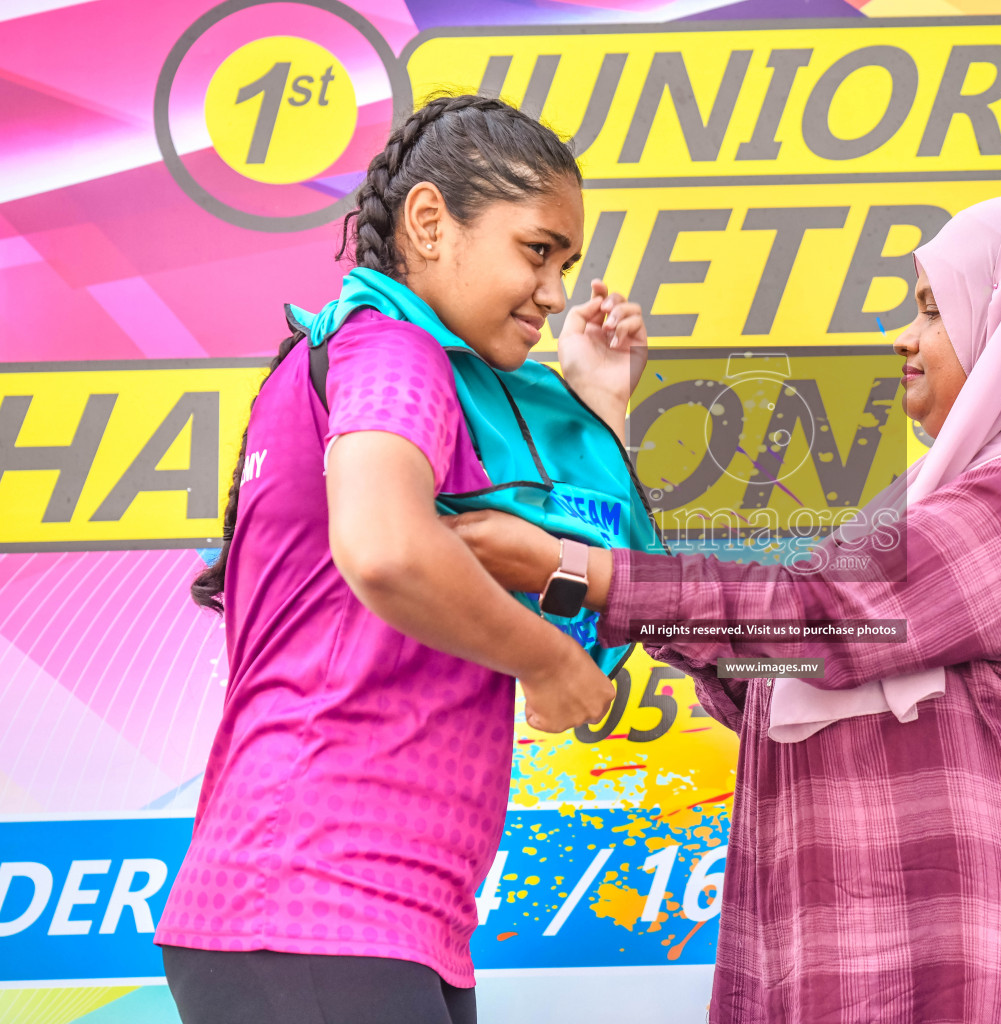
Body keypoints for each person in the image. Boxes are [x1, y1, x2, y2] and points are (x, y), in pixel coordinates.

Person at [447, 195, 1001, 1022]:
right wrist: (606, 424)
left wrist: (575, 569)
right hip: (875, 954)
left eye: (936, 312)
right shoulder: (915, 515)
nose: (904, 337)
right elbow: (764, 656)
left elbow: (833, 621)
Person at [154, 95, 650, 1024]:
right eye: (536, 251)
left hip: (373, 916)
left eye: (567, 265)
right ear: (430, 223)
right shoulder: (395, 346)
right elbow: (386, 551)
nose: (554, 292)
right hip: (315, 900)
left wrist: (596, 409)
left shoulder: (387, 357)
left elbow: (548, 572)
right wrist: (549, 668)